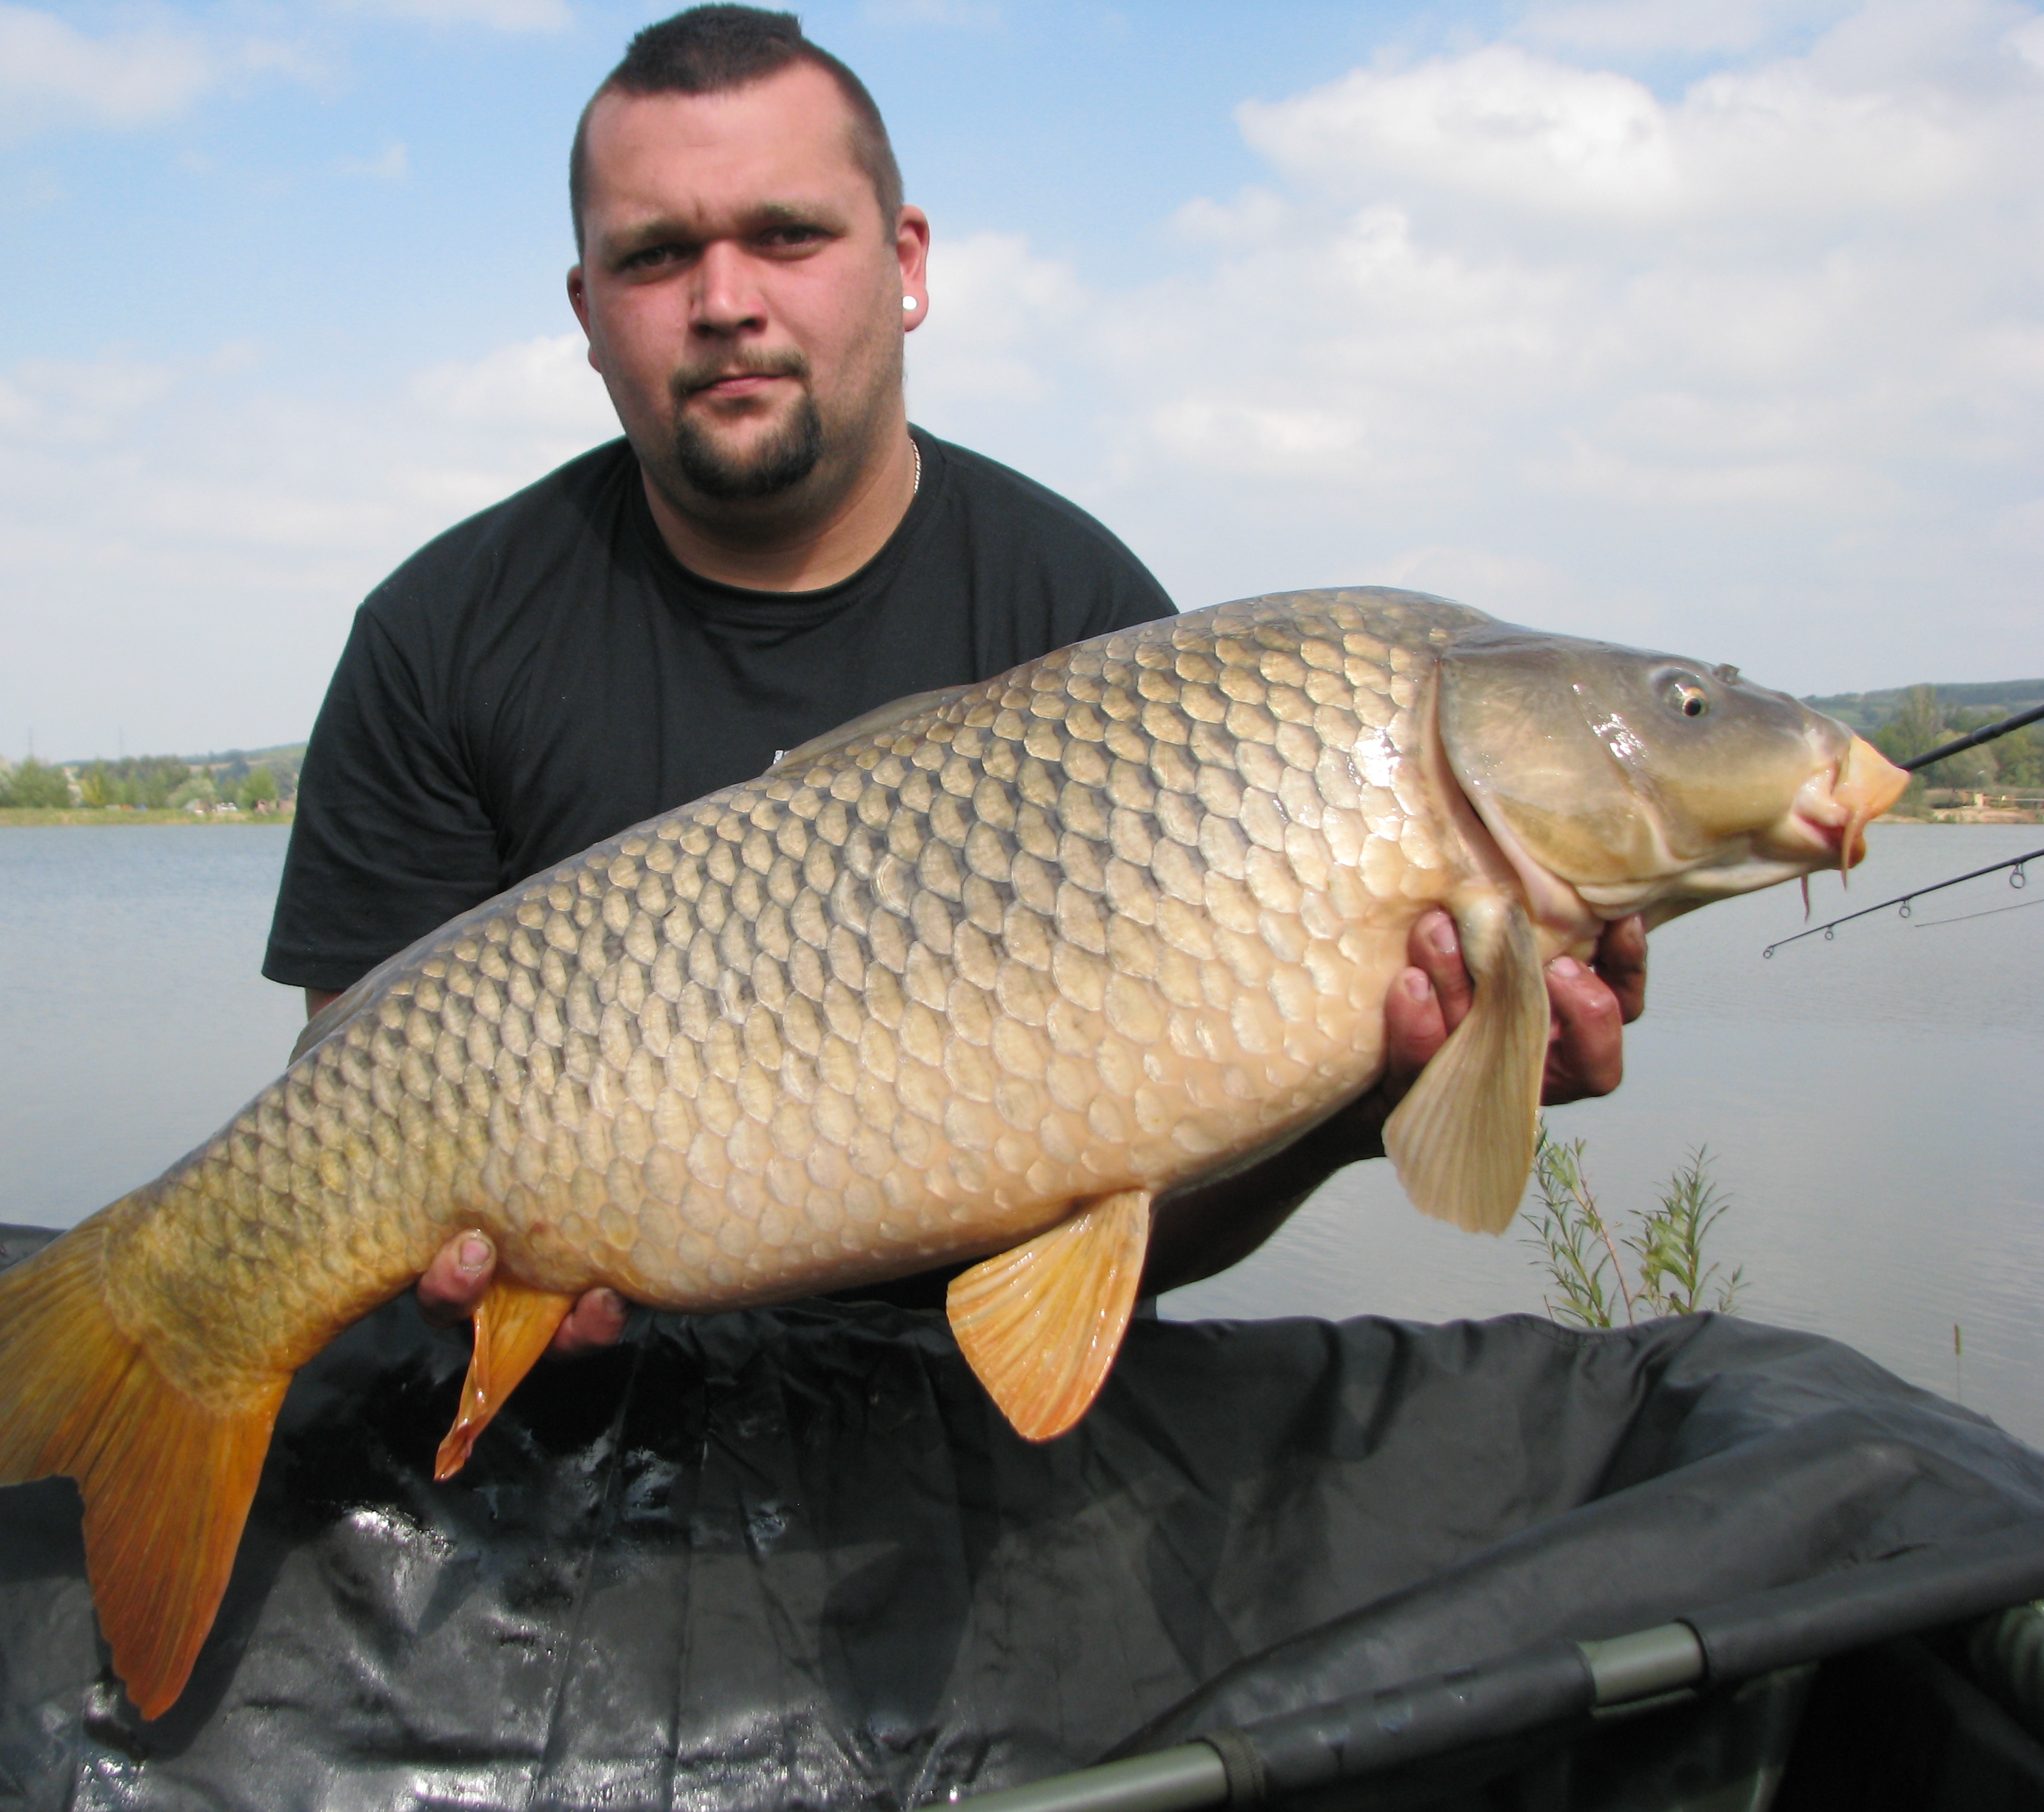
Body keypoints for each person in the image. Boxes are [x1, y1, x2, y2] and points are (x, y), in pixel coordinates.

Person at [264, 4, 1644, 1355]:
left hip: (979, 1445)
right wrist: (458, 1285)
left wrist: (1357, 1108)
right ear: (586, 307)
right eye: (657, 254)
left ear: (906, 262)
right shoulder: (437, 635)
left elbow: (1148, 1213)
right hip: (590, 1444)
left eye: (788, 235)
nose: (725, 301)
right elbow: (342, 1121)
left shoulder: (1087, 623)